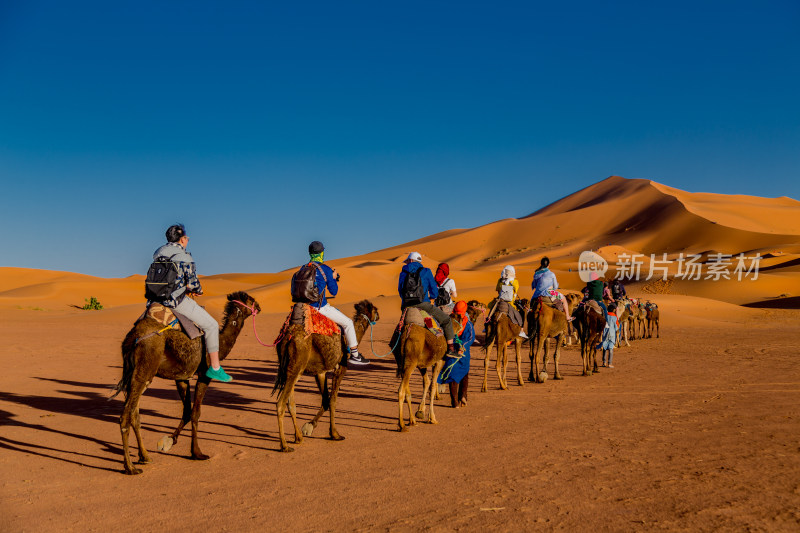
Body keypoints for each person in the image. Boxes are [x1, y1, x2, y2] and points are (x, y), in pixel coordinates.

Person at [152, 224, 231, 382]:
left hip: (155, 300)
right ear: (182, 239)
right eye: (187, 238)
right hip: (175, 301)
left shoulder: (158, 254)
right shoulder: (185, 256)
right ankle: (215, 367)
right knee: (212, 325)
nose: (187, 241)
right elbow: (194, 284)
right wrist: (196, 290)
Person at [305, 241, 369, 366]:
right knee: (348, 323)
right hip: (320, 308)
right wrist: (333, 277)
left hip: (303, 308)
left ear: (310, 253)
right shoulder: (326, 269)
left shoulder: (303, 268)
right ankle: (355, 355)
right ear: (322, 253)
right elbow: (334, 292)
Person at [398, 252, 458, 356]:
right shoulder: (426, 271)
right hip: (423, 304)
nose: (407, 263)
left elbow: (400, 290)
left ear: (411, 260)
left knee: (400, 327)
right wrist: (431, 297)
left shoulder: (403, 273)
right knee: (446, 320)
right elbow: (434, 291)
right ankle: (451, 349)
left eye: (407, 261)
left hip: (406, 305)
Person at [437, 300, 474, 408]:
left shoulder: (448, 321)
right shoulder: (468, 323)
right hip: (463, 353)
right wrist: (463, 346)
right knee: (464, 374)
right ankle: (463, 396)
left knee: (452, 375)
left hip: (451, 351)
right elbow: (471, 337)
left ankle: (455, 402)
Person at [531, 256, 572, 321]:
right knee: (563, 298)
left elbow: (534, 285)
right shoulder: (551, 274)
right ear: (548, 264)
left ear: (541, 264)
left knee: (531, 306)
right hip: (549, 292)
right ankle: (567, 316)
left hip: (537, 294)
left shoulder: (536, 274)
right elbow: (555, 287)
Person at [493, 265, 527, 337]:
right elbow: (516, 291)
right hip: (511, 303)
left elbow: (498, 290)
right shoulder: (515, 282)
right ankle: (521, 330)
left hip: (500, 301)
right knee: (522, 312)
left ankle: (486, 326)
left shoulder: (500, 281)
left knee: (492, 309)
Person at [600, 302, 619, 367]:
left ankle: (604, 363)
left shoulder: (605, 316)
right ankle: (610, 363)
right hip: (612, 335)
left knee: (605, 348)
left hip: (605, 334)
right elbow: (616, 327)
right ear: (614, 310)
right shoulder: (615, 317)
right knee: (611, 349)